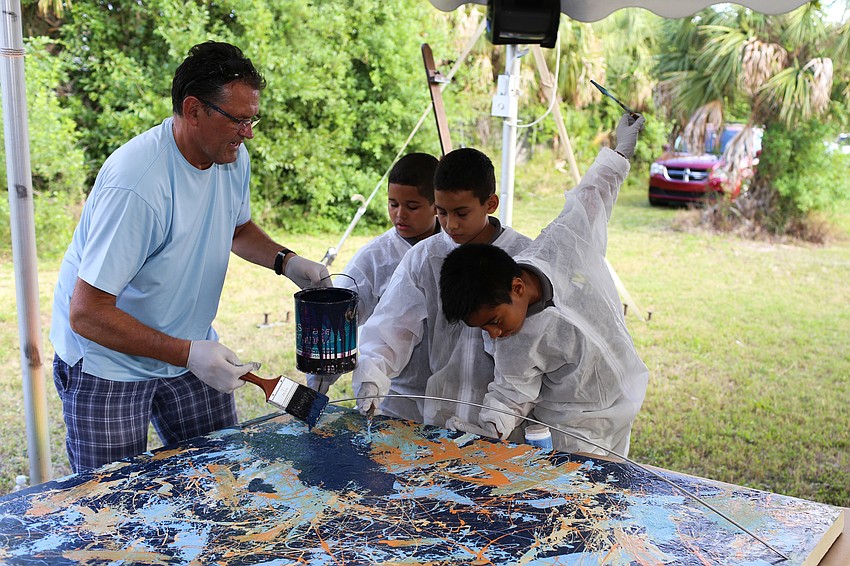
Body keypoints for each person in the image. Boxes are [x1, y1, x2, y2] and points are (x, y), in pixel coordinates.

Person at [50, 41, 330, 473]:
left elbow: (236, 227)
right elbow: (87, 313)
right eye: (238, 119)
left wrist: (287, 261)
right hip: (109, 362)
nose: (248, 132)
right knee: (109, 501)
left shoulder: (231, 157)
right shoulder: (138, 185)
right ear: (194, 110)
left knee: (218, 477)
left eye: (252, 118)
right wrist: (187, 355)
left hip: (191, 342)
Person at [439, 114, 649, 457]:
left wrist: (621, 150)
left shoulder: (560, 246)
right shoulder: (511, 342)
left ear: (518, 288)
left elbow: (591, 196)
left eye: (493, 321)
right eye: (484, 329)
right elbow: (509, 393)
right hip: (572, 432)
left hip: (621, 406)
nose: (493, 335)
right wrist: (488, 431)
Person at [352, 148, 532, 432]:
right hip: (438, 419)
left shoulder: (523, 256)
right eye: (441, 212)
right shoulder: (425, 257)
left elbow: (535, 350)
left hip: (506, 423)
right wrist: (373, 375)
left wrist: (504, 413)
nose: (450, 225)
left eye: (461, 213)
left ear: (491, 203)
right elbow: (392, 324)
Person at [306, 153, 441, 421]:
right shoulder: (375, 258)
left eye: (412, 206)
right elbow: (337, 320)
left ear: (437, 205)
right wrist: (321, 374)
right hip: (394, 395)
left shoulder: (456, 249)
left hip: (455, 397)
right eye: (393, 204)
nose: (399, 214)